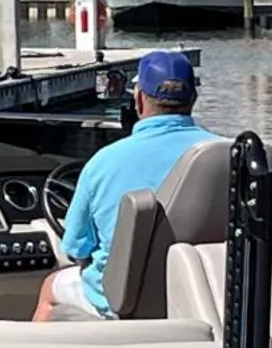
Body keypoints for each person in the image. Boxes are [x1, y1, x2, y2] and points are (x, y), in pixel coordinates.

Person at [32, 50, 221, 321]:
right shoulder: (226, 154)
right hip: (207, 296)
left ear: (139, 100)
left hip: (123, 300)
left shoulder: (103, 163)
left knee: (50, 290)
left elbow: (75, 248)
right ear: (193, 99)